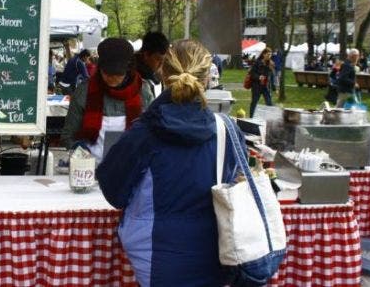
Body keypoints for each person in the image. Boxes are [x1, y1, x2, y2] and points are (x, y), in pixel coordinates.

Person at [96, 39, 244, 287]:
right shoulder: (228, 130)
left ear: (163, 74)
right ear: (208, 79)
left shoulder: (143, 133)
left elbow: (114, 193)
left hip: (155, 252)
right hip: (217, 250)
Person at [61, 38, 153, 164]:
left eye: (118, 74)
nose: (112, 78)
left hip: (131, 169)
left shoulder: (143, 91)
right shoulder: (84, 92)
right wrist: (79, 150)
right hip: (90, 170)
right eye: (107, 73)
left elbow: (152, 132)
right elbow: (68, 135)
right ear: (100, 67)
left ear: (128, 69)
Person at [135, 31, 170, 97]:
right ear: (146, 55)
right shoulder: (134, 78)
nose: (161, 64)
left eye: (164, 60)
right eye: (158, 59)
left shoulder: (157, 76)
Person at [249, 47, 274, 118]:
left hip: (266, 87)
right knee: (254, 102)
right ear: (264, 54)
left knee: (269, 102)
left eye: (270, 55)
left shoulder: (271, 64)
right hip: (257, 86)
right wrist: (259, 77)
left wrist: (274, 87)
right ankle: (251, 117)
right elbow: (252, 73)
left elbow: (272, 76)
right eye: (268, 54)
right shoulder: (257, 62)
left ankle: (270, 118)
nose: (269, 56)